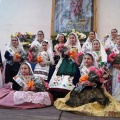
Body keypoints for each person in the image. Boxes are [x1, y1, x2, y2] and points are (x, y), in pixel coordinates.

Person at [54, 53, 120, 117]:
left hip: (94, 89)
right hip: (81, 88)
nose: (86, 60)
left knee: (98, 101)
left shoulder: (96, 70)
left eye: (88, 59)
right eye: (85, 58)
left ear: (92, 60)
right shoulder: (80, 69)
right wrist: (80, 83)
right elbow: (74, 81)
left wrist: (92, 83)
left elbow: (100, 82)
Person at [49, 32, 81, 100]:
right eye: (70, 38)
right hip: (64, 64)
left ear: (75, 39)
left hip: (73, 64)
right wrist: (64, 53)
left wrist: (75, 57)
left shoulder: (78, 47)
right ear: (68, 39)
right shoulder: (65, 46)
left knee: (70, 78)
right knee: (61, 77)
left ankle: (69, 93)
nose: (71, 39)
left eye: (73, 38)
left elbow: (80, 56)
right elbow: (61, 55)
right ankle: (58, 93)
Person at [111, 35, 120, 101]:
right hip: (115, 69)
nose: (119, 40)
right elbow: (110, 59)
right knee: (115, 81)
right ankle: (114, 96)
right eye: (117, 39)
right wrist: (113, 63)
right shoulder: (113, 49)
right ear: (115, 40)